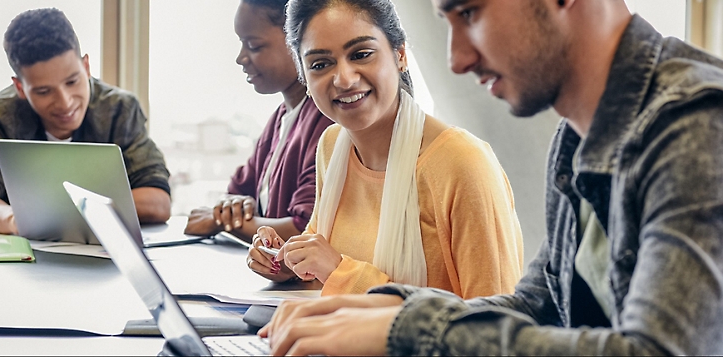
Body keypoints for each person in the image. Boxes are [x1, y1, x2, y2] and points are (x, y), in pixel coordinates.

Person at [258, 0, 723, 355]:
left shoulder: (697, 126)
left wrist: (409, 328)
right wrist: (380, 308)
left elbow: (655, 350)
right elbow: (540, 307)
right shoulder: (577, 135)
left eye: (471, 12)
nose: (457, 59)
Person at [246, 0, 524, 298]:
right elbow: (326, 261)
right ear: (304, 75)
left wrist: (340, 271)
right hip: (337, 340)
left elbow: (495, 327)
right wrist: (288, 262)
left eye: (361, 54)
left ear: (400, 55)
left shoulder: (462, 163)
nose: (344, 79)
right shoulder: (332, 146)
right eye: (320, 64)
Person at [0, 8, 172, 235]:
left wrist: (57, 214)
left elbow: (158, 201)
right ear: (20, 87)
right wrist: (17, 222)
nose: (65, 102)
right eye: (44, 91)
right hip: (23, 259)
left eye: (72, 81)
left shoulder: (120, 110)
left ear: (86, 67)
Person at [184, 0, 334, 243]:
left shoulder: (327, 121)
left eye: (253, 45)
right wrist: (234, 209)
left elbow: (304, 229)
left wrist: (220, 221)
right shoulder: (280, 118)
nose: (241, 58)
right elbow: (236, 195)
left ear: (297, 40)